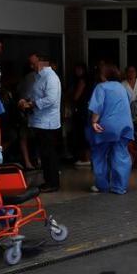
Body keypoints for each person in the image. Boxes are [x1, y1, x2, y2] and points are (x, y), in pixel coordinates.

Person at [87, 64, 134, 194]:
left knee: (99, 155)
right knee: (121, 155)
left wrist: (94, 122)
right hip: (124, 126)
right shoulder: (122, 87)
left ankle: (102, 185)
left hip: (105, 126)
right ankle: (120, 186)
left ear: (104, 75)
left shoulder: (101, 87)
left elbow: (97, 107)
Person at [19, 54, 62, 192]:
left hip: (47, 122)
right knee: (44, 153)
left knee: (49, 153)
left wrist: (32, 104)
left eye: (34, 64)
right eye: (30, 64)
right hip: (39, 120)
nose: (32, 67)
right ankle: (48, 180)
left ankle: (53, 182)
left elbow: (51, 99)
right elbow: (35, 93)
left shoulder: (51, 77)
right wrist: (25, 100)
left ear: (43, 62)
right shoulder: (38, 77)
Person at [67, 62, 92, 166]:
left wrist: (70, 97)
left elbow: (76, 96)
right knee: (83, 133)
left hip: (82, 110)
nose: (77, 71)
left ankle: (86, 158)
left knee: (82, 133)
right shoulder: (86, 80)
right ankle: (86, 157)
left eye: (79, 69)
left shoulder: (82, 80)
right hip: (85, 109)